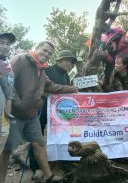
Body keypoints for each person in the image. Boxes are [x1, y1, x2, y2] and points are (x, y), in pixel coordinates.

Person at [0, 41, 78, 183]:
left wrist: (71, 89)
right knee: (7, 150)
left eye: (49, 53)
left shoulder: (41, 69)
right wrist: (17, 102)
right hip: (14, 114)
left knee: (39, 144)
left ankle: (49, 176)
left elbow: (51, 86)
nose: (46, 54)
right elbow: (6, 79)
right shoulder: (21, 59)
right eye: (44, 50)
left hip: (32, 115)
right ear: (36, 48)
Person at [29, 50, 77, 174]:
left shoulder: (66, 76)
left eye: (71, 62)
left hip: (59, 112)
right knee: (37, 135)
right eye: (67, 60)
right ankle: (35, 166)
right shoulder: (48, 70)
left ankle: (64, 161)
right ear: (59, 60)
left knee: (63, 135)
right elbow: (45, 87)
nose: (69, 64)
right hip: (42, 108)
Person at [99, 27, 128, 91]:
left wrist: (110, 54)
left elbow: (114, 60)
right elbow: (104, 31)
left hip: (105, 61)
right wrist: (105, 44)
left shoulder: (125, 50)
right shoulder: (118, 30)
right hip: (99, 44)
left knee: (107, 77)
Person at [0, 32, 16, 136]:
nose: (5, 47)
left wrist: (6, 123)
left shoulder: (8, 68)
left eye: (8, 44)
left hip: (3, 118)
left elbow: (9, 96)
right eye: (1, 43)